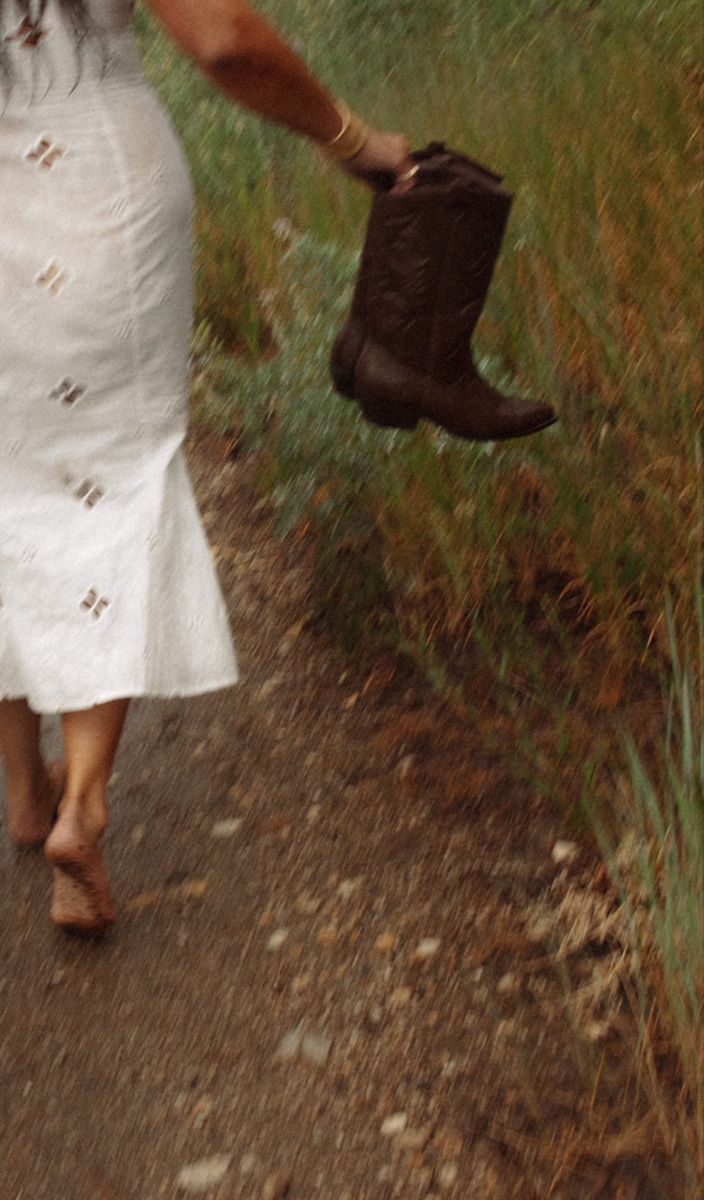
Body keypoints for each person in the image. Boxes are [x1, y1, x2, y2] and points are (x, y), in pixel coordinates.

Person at [0, 0, 413, 934]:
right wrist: (349, 138)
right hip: (97, 201)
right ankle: (82, 808)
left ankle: (24, 793)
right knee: (113, 478)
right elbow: (225, 37)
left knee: (9, 486)